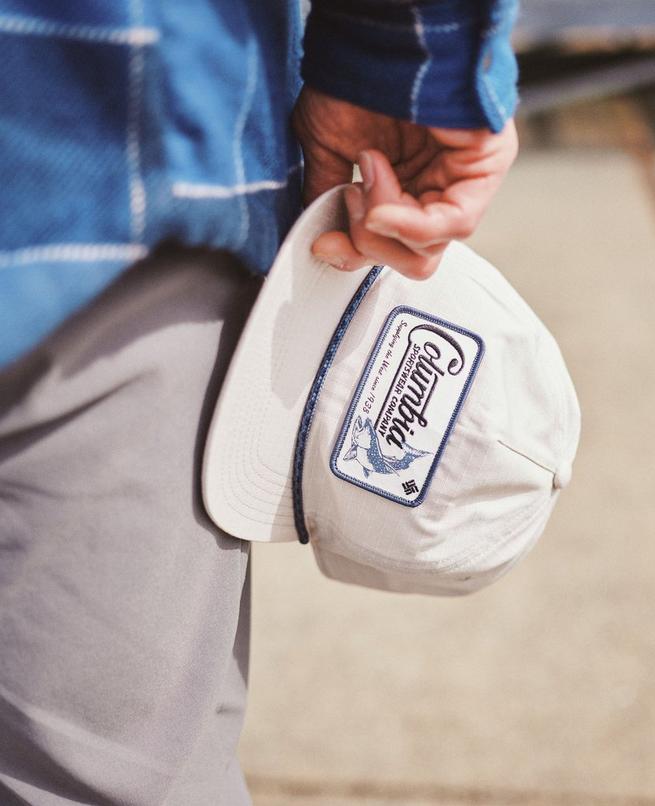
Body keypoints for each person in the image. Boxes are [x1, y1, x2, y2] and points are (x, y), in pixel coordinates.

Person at [0, 1, 519, 802]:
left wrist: (410, 65)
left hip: (100, 165)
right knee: (104, 775)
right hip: (109, 184)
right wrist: (408, 60)